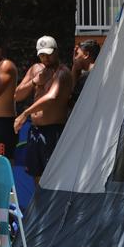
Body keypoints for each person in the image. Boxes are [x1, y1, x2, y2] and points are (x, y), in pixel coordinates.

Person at [14, 36, 73, 185]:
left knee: (52, 175)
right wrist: (34, 81)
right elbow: (17, 95)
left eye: (48, 54)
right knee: (36, 174)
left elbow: (51, 97)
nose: (45, 58)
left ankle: (52, 207)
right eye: (41, 55)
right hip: (35, 130)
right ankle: (40, 206)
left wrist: (25, 113)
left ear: (56, 52)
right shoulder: (36, 69)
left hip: (53, 131)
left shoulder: (62, 72)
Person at [70, 39, 100, 107]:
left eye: (77, 54)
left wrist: (74, 66)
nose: (74, 58)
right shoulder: (99, 71)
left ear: (86, 54)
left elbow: (73, 98)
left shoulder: (86, 77)